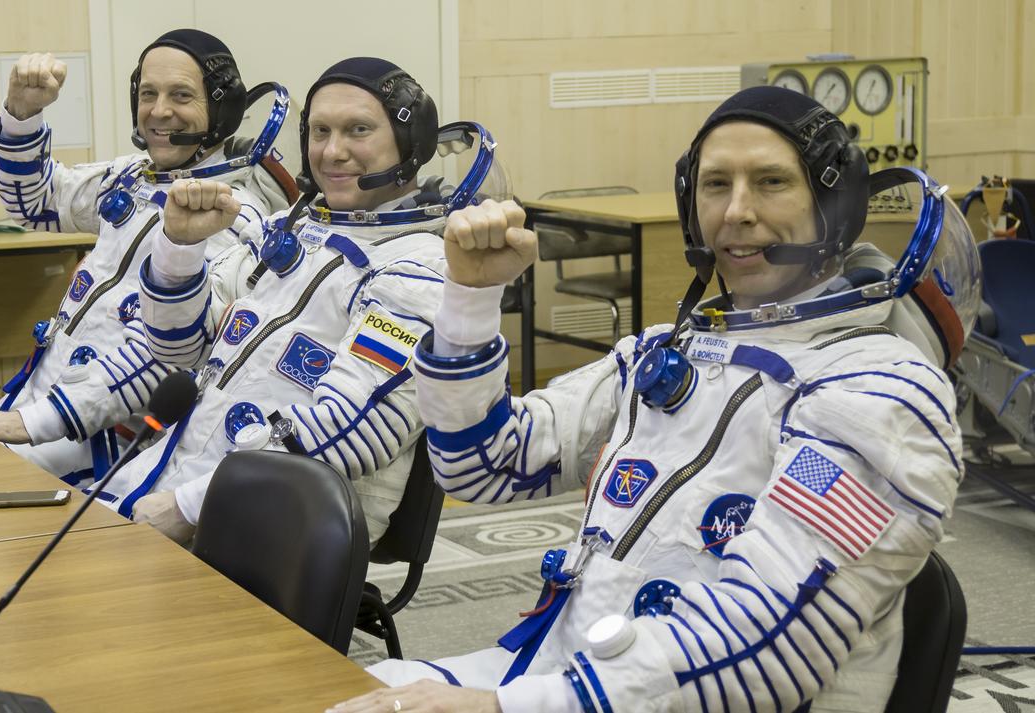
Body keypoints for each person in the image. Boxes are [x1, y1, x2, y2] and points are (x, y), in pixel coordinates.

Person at [329, 86, 981, 712]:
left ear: (834, 205)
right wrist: (470, 300)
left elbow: (767, 642)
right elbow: (484, 463)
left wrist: (504, 704)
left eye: (772, 181)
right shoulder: (667, 353)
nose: (736, 211)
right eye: (716, 184)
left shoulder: (879, 394)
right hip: (566, 676)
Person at [115, 57, 508, 545]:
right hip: (172, 482)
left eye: (357, 130)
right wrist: (178, 250)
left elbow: (350, 431)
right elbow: (174, 349)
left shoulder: (421, 272)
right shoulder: (298, 232)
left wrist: (188, 505)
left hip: (278, 527)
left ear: (409, 145)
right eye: (319, 131)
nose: (332, 151)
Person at [0, 30, 295, 484]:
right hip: (37, 403)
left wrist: (35, 422)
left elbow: (166, 354)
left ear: (221, 109)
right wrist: (22, 114)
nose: (158, 110)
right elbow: (33, 202)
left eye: (181, 95)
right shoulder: (133, 177)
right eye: (148, 93)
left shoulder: (228, 215)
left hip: (99, 434)